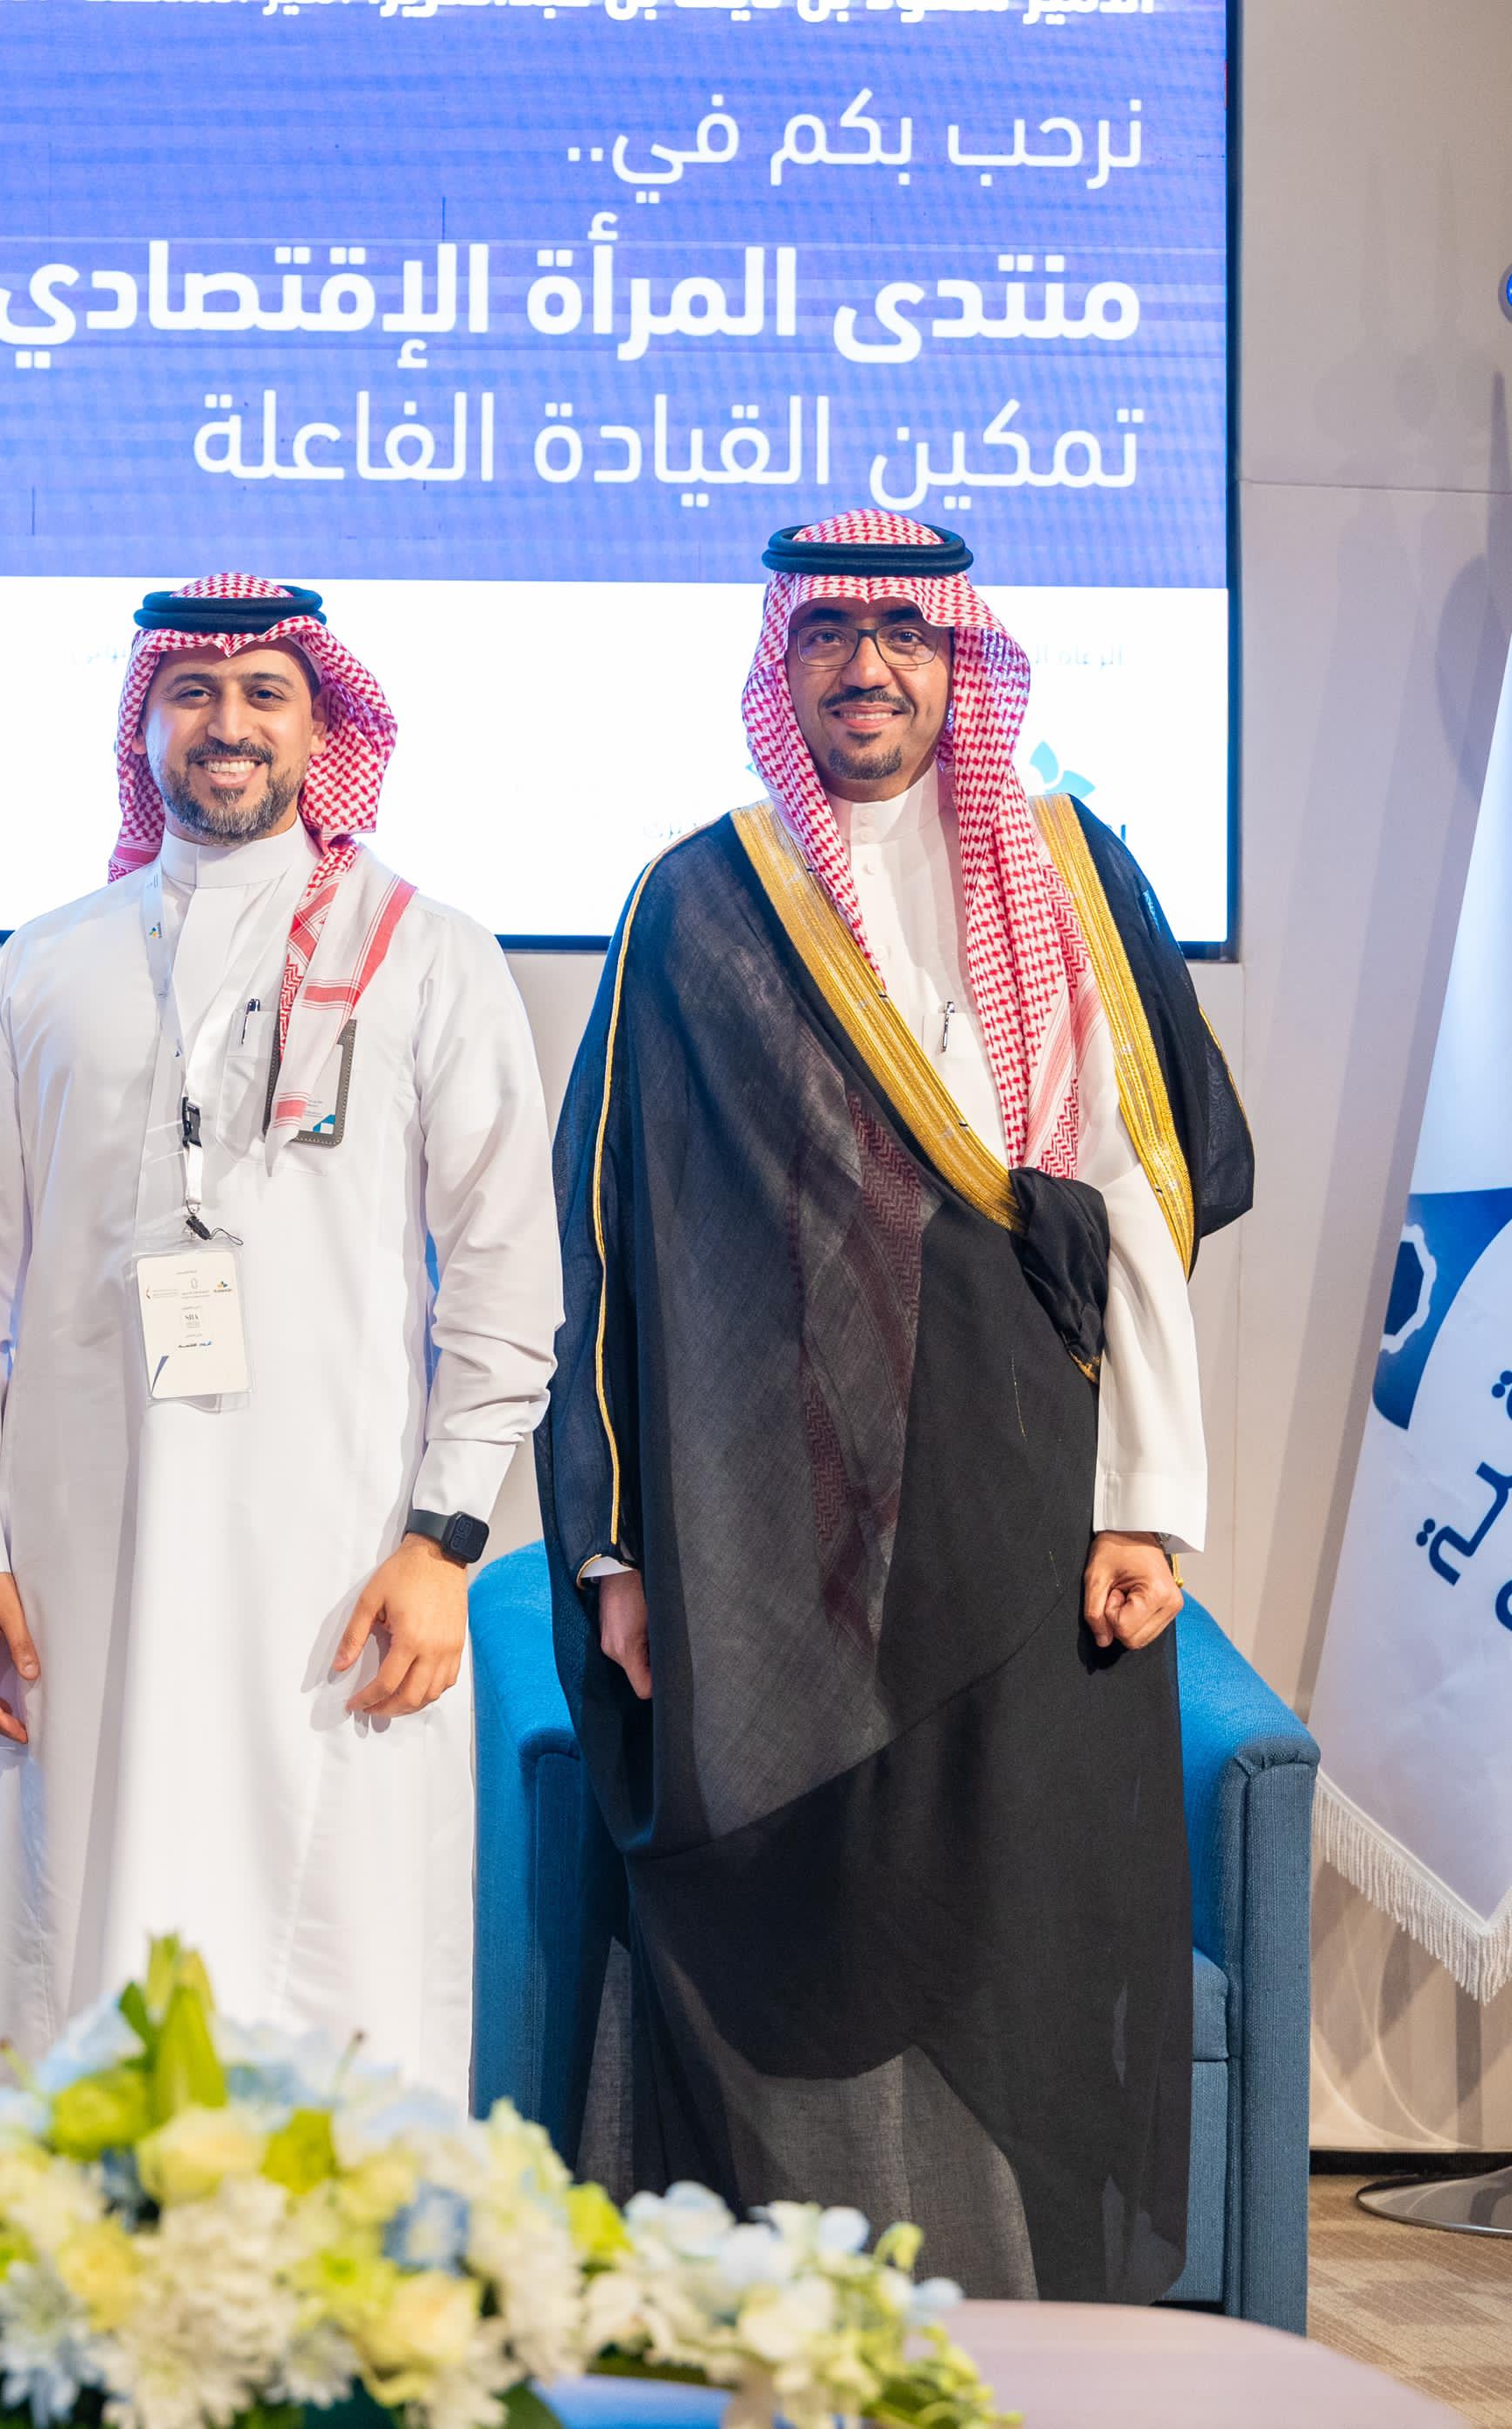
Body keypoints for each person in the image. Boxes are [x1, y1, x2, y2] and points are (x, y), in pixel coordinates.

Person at [540, 509, 1252, 2302]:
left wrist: (1148, 1501)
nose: (867, 667)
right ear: (779, 663)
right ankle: (783, 2307)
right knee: (808, 1916)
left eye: (904, 634)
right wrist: (618, 1553)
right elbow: (615, 1238)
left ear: (959, 657)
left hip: (1031, 1502)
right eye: (829, 635)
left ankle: (1018, 2330)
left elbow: (1136, 1204)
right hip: (770, 1533)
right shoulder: (699, 899)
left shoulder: (1072, 870)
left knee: (1015, 1921)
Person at [0, 574, 559, 2100]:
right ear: (142, 723)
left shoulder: (426, 953)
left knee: (334, 1962)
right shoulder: (47, 964)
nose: (229, 723)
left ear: (322, 727)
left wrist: (445, 1540)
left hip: (342, 1570)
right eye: (193, 692)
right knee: (79, 1946)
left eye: (268, 692)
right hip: (79, 1569)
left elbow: (506, 1279)